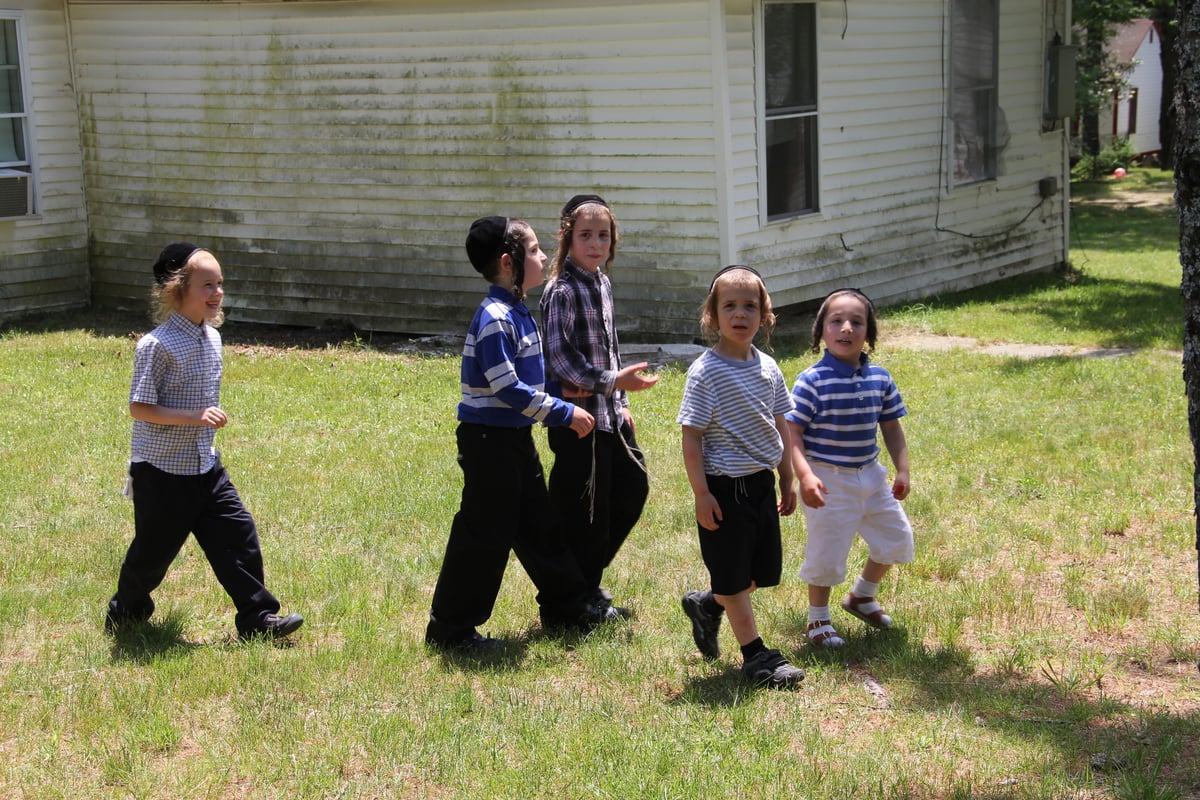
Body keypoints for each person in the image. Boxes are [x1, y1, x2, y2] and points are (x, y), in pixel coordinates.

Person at [424, 216, 617, 653]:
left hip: (512, 440)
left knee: (538, 525)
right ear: (509, 263)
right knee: (484, 535)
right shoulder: (495, 318)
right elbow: (508, 389)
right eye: (533, 251)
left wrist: (567, 394)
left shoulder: (518, 312)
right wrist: (562, 412)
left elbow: (535, 379)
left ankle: (568, 607)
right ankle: (451, 630)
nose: (544, 256)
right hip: (487, 442)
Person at [105, 243, 304, 641]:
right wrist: (194, 417)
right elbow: (139, 408)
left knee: (238, 535)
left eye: (220, 284)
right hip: (162, 472)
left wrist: (206, 418)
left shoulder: (212, 338)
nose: (216, 293)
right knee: (152, 556)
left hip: (204, 465)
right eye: (206, 285)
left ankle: (257, 618)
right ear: (176, 290)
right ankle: (126, 610)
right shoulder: (156, 346)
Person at [677, 265, 804, 689]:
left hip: (761, 485)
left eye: (750, 306)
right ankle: (757, 656)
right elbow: (691, 437)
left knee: (752, 574)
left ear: (765, 315)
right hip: (724, 489)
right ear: (712, 316)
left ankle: (707, 605)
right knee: (734, 574)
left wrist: (787, 477)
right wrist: (701, 493)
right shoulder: (705, 372)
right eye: (729, 305)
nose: (740, 314)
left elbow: (779, 423)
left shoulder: (768, 367)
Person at [541, 194, 658, 618]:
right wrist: (613, 383)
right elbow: (561, 359)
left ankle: (583, 584)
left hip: (609, 415)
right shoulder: (562, 290)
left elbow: (608, 349)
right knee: (586, 513)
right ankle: (570, 602)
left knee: (631, 490)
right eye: (585, 235)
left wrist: (621, 399)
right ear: (566, 238)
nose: (595, 244)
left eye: (603, 235)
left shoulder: (602, 284)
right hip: (578, 421)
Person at [785, 288, 914, 649]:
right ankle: (818, 620)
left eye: (856, 322)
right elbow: (792, 432)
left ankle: (862, 596)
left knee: (896, 540)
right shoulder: (812, 380)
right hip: (827, 479)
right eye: (836, 321)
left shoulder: (881, 379)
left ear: (868, 333)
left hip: (871, 475)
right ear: (821, 332)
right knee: (826, 551)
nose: (846, 328)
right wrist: (806, 475)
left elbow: (891, 426)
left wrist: (902, 470)